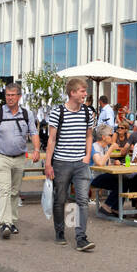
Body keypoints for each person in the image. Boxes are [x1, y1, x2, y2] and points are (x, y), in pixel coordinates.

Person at [0, 82, 40, 239]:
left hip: (20, 158)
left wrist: (36, 149)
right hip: (1, 157)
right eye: (7, 95)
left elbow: (34, 133)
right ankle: (4, 223)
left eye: (13, 95)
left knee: (14, 192)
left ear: (19, 97)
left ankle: (12, 221)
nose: (10, 98)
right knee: (5, 190)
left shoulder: (27, 114)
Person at [44, 77, 96, 251]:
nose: (85, 94)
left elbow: (89, 135)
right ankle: (59, 231)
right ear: (72, 92)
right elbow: (51, 140)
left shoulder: (88, 112)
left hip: (81, 163)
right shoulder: (58, 112)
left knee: (82, 200)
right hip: (61, 162)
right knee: (60, 199)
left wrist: (87, 155)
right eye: (82, 91)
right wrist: (48, 163)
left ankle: (81, 238)